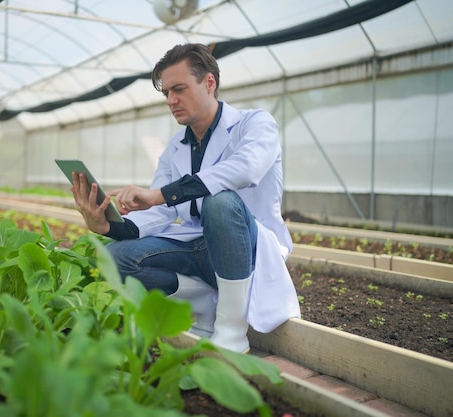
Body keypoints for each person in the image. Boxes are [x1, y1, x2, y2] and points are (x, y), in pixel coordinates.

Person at [70, 43, 300, 353]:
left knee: (221, 204)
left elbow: (245, 169)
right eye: (166, 93)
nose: (171, 100)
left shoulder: (255, 124)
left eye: (179, 89)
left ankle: (231, 330)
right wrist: (108, 226)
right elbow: (160, 213)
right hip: (199, 246)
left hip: (247, 247)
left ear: (209, 83)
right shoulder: (176, 146)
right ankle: (204, 305)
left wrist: (160, 194)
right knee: (116, 258)